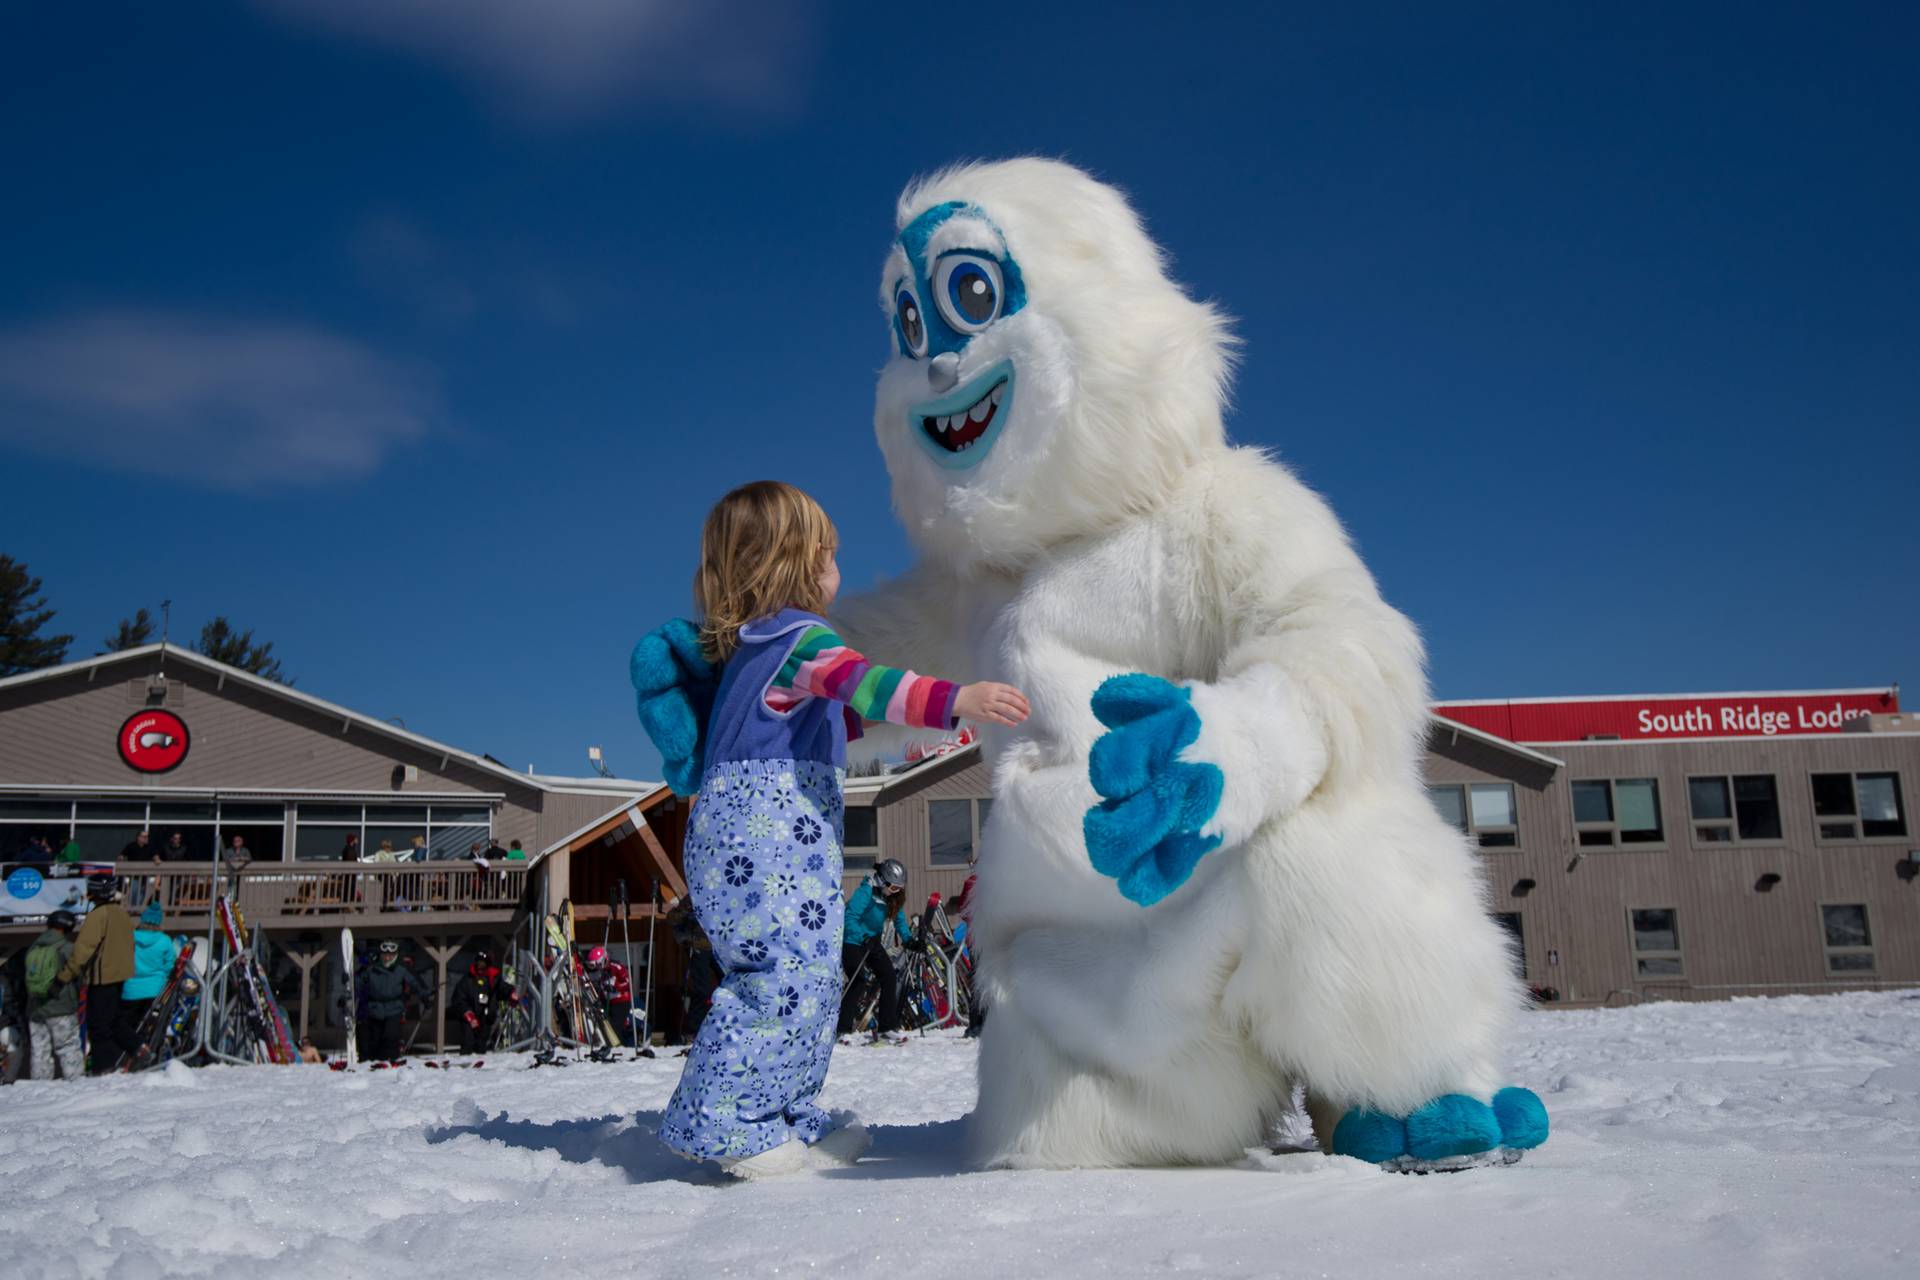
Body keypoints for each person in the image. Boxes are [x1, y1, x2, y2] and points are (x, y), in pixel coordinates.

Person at [648, 480, 1029, 1179]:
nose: (837, 569)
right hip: (760, 843)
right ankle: (728, 1119)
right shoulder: (799, 638)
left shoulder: (758, 654)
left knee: (812, 976)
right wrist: (956, 699)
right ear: (790, 563)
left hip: (773, 840)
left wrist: (912, 728)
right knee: (782, 974)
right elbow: (866, 684)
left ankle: (782, 1110)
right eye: (828, 555)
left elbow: (842, 716)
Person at [57, 875, 140, 1073]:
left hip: (102, 976)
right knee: (114, 1020)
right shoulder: (122, 913)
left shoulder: (97, 915)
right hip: (121, 974)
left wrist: (64, 977)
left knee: (98, 1026)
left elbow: (83, 950)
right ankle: (138, 1047)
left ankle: (104, 1068)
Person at [839, 860, 916, 1043]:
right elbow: (850, 917)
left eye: (899, 888)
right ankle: (842, 1029)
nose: (895, 891)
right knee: (858, 980)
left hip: (872, 942)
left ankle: (887, 1027)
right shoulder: (866, 890)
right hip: (852, 940)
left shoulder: (891, 897)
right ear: (882, 880)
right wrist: (863, 937)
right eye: (893, 887)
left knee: (889, 976)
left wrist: (909, 940)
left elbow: (900, 921)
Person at [118, 898, 183, 1066]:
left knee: (127, 1028)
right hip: (156, 990)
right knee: (151, 1027)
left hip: (130, 989)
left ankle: (130, 1057)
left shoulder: (130, 937)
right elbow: (170, 965)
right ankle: (149, 1054)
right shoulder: (164, 941)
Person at [24, 909, 84, 1080]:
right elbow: (78, 977)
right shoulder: (67, 948)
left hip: (36, 1008)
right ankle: (76, 1088)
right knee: (67, 1047)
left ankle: (40, 1089)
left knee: (39, 1051)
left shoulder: (33, 949)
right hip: (61, 1008)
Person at [361, 939, 429, 1061]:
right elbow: (358, 981)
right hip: (375, 1008)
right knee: (375, 1039)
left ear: (395, 955)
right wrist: (347, 983)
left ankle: (392, 1061)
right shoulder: (372, 969)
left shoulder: (401, 969)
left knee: (391, 1036)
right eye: (385, 955)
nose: (387, 958)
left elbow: (415, 983)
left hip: (394, 1008)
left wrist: (425, 996)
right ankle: (375, 1063)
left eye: (390, 955)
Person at [447, 951, 514, 1054]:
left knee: (482, 1043)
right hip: (470, 1017)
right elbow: (458, 999)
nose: (480, 965)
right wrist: (468, 1014)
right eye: (478, 962)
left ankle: (480, 1062)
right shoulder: (467, 980)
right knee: (468, 1041)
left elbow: (503, 988)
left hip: (486, 1017)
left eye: (483, 963)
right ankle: (465, 1061)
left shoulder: (494, 979)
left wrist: (512, 993)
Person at [582, 946, 632, 1046]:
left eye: (598, 964)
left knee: (615, 1026)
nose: (597, 967)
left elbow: (627, 982)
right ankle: (607, 1044)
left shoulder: (616, 967)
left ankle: (618, 1046)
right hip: (608, 1001)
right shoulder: (600, 971)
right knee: (606, 1025)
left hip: (621, 1001)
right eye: (593, 966)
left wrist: (616, 987)